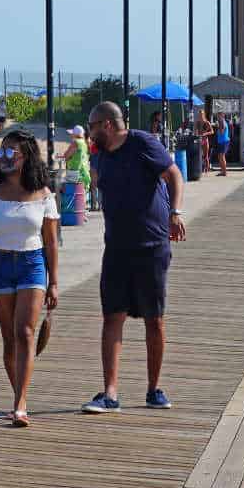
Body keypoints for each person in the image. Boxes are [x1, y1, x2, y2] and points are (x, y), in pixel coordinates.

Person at [82, 102, 184, 414]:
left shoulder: (143, 143)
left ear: (107, 125)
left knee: (154, 319)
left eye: (93, 126)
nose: (90, 133)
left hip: (151, 245)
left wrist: (175, 213)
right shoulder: (101, 155)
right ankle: (110, 393)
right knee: (112, 315)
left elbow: (173, 174)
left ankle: (154, 389)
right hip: (116, 247)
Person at [0, 132, 60, 426]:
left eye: (11, 153)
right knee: (9, 339)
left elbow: (51, 242)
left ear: (26, 157)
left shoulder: (44, 195)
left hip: (32, 264)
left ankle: (20, 405)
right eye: (1, 152)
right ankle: (19, 394)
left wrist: (54, 281)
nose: (4, 159)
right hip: (2, 263)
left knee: (25, 333)